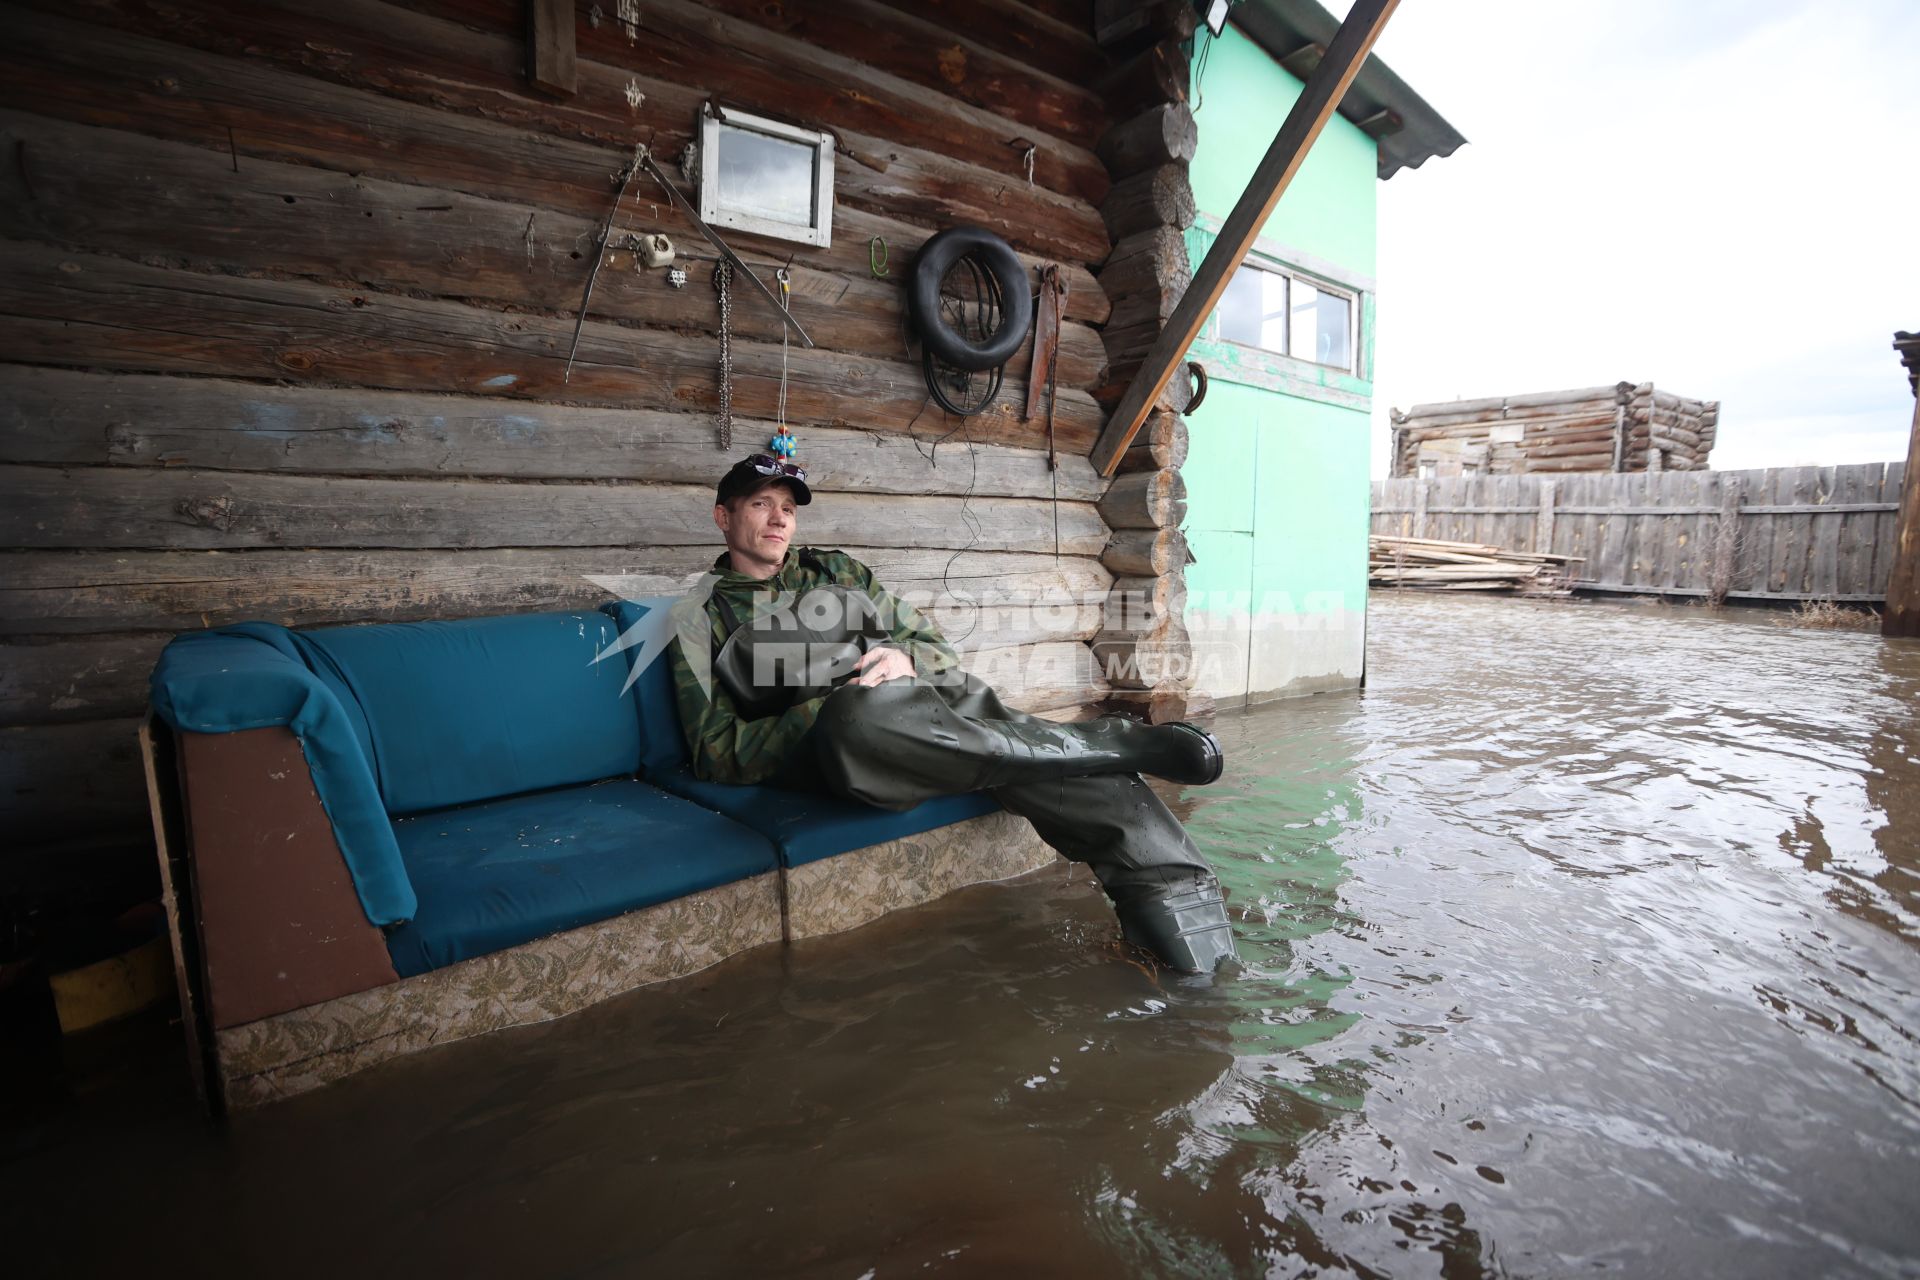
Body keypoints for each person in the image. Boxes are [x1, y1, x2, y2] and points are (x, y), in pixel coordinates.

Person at [666, 452, 1238, 972]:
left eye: (788, 507)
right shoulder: (697, 616)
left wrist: (902, 655)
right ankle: (1105, 739)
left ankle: (1197, 952)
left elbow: (934, 649)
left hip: (928, 721)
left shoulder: (838, 574)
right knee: (861, 717)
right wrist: (824, 708)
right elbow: (714, 750)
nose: (779, 519)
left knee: (1023, 738)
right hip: (842, 747)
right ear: (723, 517)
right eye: (761, 504)